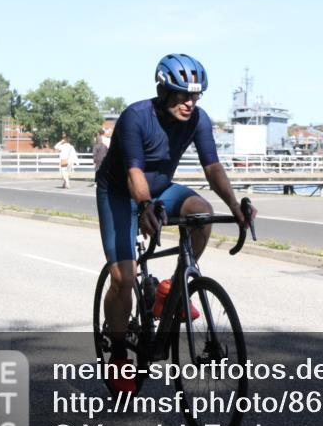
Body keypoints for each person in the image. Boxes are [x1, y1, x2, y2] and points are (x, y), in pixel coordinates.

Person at [96, 54, 255, 393]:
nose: (190, 103)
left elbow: (212, 169)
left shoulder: (198, 120)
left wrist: (234, 206)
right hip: (122, 193)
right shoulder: (135, 117)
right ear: (164, 90)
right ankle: (121, 352)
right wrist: (145, 205)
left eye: (196, 96)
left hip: (161, 189)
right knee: (124, 279)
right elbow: (133, 172)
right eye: (183, 95)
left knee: (201, 211)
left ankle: (170, 290)